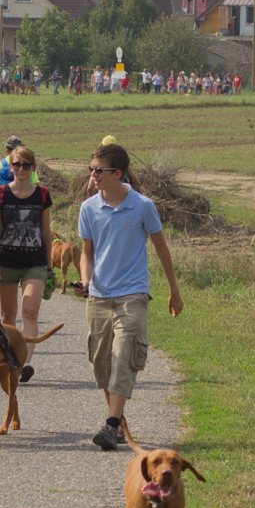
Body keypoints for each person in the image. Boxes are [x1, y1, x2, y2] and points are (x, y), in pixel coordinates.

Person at [76, 143, 183, 451]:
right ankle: (118, 422)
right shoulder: (88, 208)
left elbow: (162, 249)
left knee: (124, 355)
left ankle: (110, 424)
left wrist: (174, 291)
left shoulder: (142, 206)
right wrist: (85, 280)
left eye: (99, 170)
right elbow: (86, 253)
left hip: (132, 294)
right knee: (101, 363)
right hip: (98, 296)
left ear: (118, 174)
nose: (93, 175)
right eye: (91, 169)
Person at [0, 145, 52, 383]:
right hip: (6, 261)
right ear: (10, 166)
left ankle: (23, 362)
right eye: (17, 164)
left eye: (26, 165)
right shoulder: (0, 195)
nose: (21, 169)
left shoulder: (42, 195)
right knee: (7, 315)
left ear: (33, 168)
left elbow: (46, 232)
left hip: (34, 262)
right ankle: (9, 357)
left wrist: (48, 265)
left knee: (30, 310)